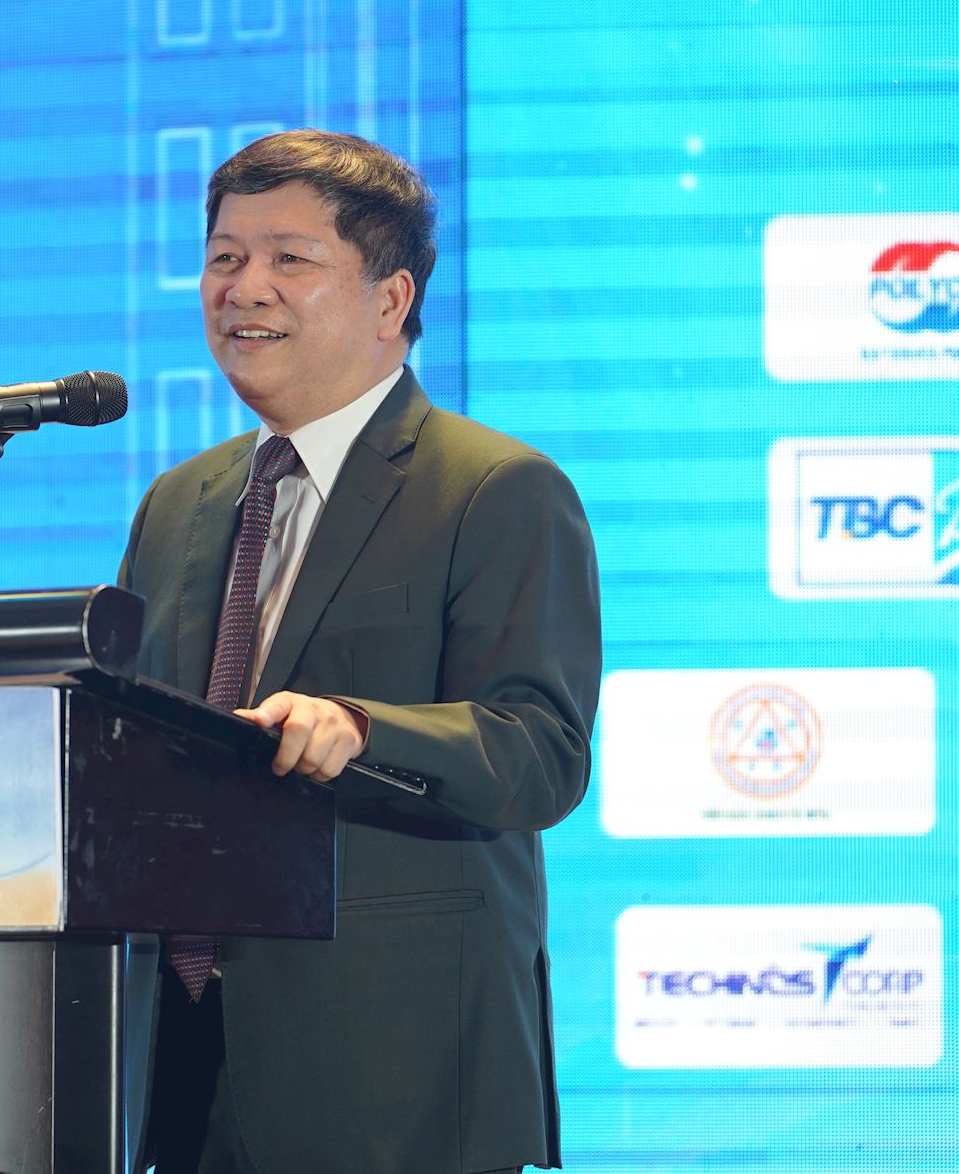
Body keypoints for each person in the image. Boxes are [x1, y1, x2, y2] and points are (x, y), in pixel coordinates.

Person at [117, 130, 601, 1173]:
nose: (244, 287)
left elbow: (541, 751)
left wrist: (361, 728)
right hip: (178, 1066)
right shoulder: (178, 501)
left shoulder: (493, 487)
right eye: (224, 257)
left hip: (393, 1072)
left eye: (288, 259)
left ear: (391, 300)